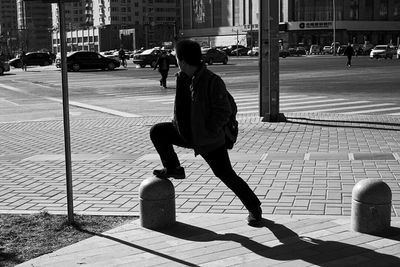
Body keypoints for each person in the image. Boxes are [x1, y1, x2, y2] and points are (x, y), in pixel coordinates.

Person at [149, 40, 262, 226]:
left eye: (176, 57)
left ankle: (254, 208)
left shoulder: (211, 81)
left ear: (183, 60)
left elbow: (224, 111)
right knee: (158, 131)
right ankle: (173, 168)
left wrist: (209, 131)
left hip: (208, 139)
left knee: (226, 174)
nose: (175, 61)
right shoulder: (182, 77)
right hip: (185, 133)